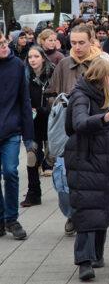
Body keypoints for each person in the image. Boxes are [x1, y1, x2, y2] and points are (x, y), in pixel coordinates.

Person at [64, 57, 109, 281]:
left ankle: (96, 255)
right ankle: (84, 261)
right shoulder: (81, 96)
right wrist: (105, 118)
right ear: (103, 76)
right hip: (84, 160)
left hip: (100, 160)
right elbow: (79, 124)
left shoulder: (102, 96)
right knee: (88, 210)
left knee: (101, 208)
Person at [0, 31, 33, 239]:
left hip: (11, 129)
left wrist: (29, 137)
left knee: (11, 171)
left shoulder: (17, 66)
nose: (3, 46)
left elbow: (25, 100)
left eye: (4, 42)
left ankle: (11, 219)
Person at [20, 46, 55, 207]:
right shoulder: (23, 75)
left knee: (54, 158)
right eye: (30, 57)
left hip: (51, 121)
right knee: (31, 156)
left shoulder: (53, 73)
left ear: (42, 57)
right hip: (31, 122)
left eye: (35, 56)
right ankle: (34, 192)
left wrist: (47, 107)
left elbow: (58, 95)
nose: (32, 60)